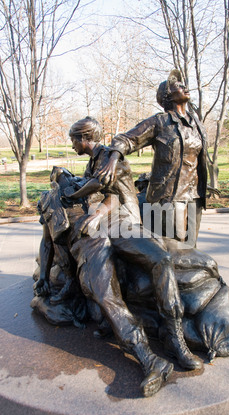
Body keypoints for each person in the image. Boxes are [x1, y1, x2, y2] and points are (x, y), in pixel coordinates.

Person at [67, 116, 204, 373]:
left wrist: (71, 194)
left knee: (160, 259)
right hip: (110, 226)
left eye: (73, 139)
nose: (72, 144)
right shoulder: (94, 162)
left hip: (126, 224)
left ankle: (175, 339)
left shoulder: (109, 158)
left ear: (84, 138)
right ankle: (113, 322)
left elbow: (106, 194)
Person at [34, 165, 174, 398]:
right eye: (57, 174)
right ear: (52, 183)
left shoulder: (87, 185)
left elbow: (112, 197)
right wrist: (42, 277)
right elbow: (48, 243)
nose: (62, 174)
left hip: (107, 236)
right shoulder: (50, 201)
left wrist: (98, 214)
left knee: (120, 292)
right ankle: (148, 357)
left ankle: (161, 350)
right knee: (108, 300)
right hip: (88, 246)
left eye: (66, 172)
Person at [96, 70, 208, 247]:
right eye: (178, 86)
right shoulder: (160, 122)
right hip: (167, 198)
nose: (185, 88)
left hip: (194, 196)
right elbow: (126, 139)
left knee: (190, 250)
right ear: (168, 95)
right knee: (170, 249)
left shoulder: (196, 124)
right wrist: (113, 159)